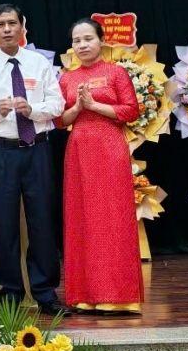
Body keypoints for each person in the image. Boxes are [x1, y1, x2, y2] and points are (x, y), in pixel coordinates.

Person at [0, 3, 67, 315]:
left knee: (42, 222)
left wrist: (32, 110)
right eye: (1, 25)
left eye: (12, 23)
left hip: (37, 150)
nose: (7, 29)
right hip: (0, 152)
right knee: (4, 224)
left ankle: (46, 292)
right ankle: (10, 292)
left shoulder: (39, 63)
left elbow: (57, 104)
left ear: (23, 26)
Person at [56, 18, 144, 314]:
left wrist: (94, 106)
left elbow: (131, 111)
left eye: (88, 39)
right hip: (79, 149)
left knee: (112, 218)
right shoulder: (67, 78)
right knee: (82, 218)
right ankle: (85, 295)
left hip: (110, 149)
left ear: (102, 40)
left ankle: (119, 296)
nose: (82, 45)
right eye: (76, 40)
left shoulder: (116, 72)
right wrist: (78, 107)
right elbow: (59, 121)